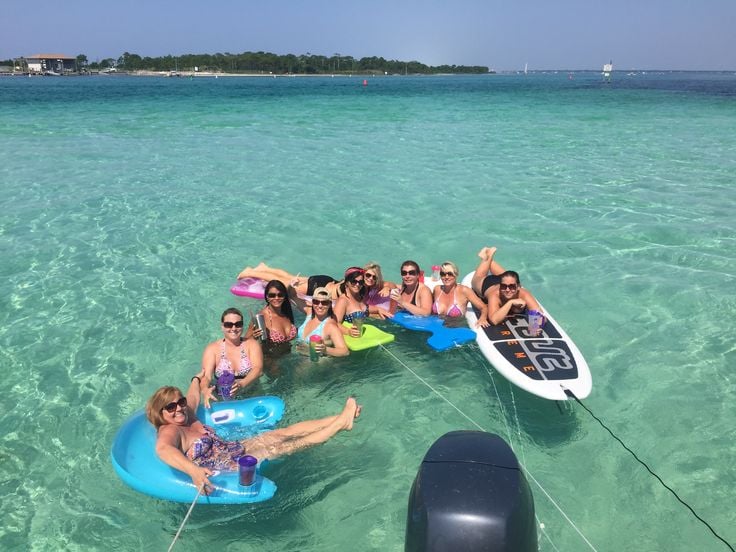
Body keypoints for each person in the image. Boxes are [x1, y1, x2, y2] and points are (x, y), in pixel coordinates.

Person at [146, 375, 361, 494]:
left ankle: (340, 417)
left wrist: (196, 379)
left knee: (283, 433)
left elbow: (192, 397)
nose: (179, 409)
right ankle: (340, 425)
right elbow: (163, 449)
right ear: (161, 413)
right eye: (171, 407)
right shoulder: (170, 429)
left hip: (234, 447)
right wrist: (193, 471)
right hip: (229, 466)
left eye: (180, 402)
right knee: (286, 446)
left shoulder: (187, 415)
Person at [200, 308, 263, 408]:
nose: (234, 328)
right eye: (228, 325)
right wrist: (204, 390)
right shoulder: (212, 349)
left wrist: (242, 383)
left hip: (251, 395)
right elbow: (206, 376)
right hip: (223, 400)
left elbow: (258, 369)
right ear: (222, 326)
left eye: (238, 324)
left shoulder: (252, 344)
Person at [237, 262, 340, 300]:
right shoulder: (351, 294)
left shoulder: (352, 280)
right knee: (282, 284)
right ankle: (249, 273)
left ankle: (264, 268)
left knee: (289, 277)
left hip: (326, 280)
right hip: (316, 288)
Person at [296, 287, 350, 357]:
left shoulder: (330, 326)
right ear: (312, 302)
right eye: (316, 302)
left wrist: (325, 350)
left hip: (314, 361)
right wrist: (291, 286)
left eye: (324, 302)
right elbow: (293, 298)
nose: (320, 305)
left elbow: (345, 351)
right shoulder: (309, 313)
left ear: (330, 304)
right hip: (297, 353)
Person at [431, 262, 489, 327]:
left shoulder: (464, 291)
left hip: (456, 329)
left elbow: (483, 307)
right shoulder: (437, 289)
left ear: (456, 275)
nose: (446, 277)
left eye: (450, 274)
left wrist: (482, 319)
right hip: (436, 327)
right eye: (443, 274)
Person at [251, 280, 297, 355]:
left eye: (280, 295)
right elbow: (245, 341)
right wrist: (254, 337)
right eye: (272, 295)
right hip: (271, 361)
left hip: (288, 356)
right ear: (267, 297)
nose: (276, 298)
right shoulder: (261, 318)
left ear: (284, 296)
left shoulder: (287, 312)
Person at [333, 267, 369, 337]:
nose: (357, 284)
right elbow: (334, 322)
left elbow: (366, 309)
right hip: (350, 338)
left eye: (360, 282)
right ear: (347, 282)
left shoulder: (360, 296)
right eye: (354, 281)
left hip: (362, 336)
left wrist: (378, 310)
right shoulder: (343, 300)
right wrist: (348, 331)